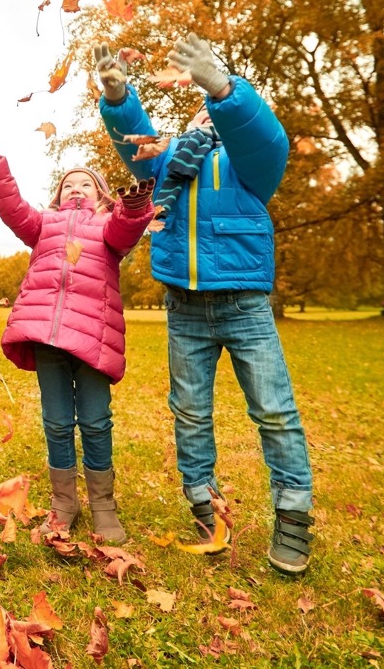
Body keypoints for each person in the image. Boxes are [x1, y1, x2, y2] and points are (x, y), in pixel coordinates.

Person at [94, 34, 315, 574]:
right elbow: (134, 141)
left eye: (212, 108)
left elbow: (264, 135)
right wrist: (118, 99)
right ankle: (204, 508)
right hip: (185, 309)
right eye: (199, 108)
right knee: (191, 414)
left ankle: (292, 517)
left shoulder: (251, 165)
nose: (204, 114)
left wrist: (223, 89)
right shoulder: (168, 163)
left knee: (274, 413)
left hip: (245, 307)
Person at [0, 125, 154, 543]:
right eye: (68, 184)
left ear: (101, 195)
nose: (75, 189)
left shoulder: (107, 225)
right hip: (47, 338)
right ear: (56, 196)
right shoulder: (43, 224)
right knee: (56, 423)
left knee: (95, 421)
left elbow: (126, 229)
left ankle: (103, 505)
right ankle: (64, 504)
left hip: (92, 339)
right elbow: (11, 206)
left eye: (85, 184)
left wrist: (134, 207)